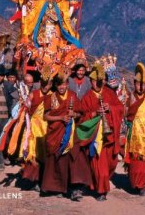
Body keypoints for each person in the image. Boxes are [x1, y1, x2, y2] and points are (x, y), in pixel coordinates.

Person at [41, 71, 92, 201]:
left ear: (67, 84)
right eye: (59, 85)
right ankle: (57, 188)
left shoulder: (73, 96)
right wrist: (60, 117)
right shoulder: (51, 98)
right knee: (57, 161)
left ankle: (75, 188)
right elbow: (46, 116)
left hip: (71, 133)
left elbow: (81, 114)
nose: (62, 87)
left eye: (64, 84)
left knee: (75, 158)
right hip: (56, 132)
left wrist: (74, 114)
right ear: (56, 86)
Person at [80, 63, 124, 201]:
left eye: (99, 81)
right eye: (94, 81)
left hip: (109, 136)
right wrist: (93, 113)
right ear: (91, 81)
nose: (97, 84)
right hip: (95, 139)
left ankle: (97, 184)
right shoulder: (87, 97)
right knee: (100, 167)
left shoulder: (109, 93)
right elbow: (81, 118)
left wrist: (110, 107)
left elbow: (120, 108)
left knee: (112, 163)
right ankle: (101, 191)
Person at [22, 70, 53, 192]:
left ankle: (44, 181)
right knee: (33, 154)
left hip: (47, 129)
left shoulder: (53, 96)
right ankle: (34, 180)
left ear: (51, 84)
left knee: (46, 155)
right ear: (40, 83)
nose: (46, 87)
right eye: (44, 84)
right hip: (34, 128)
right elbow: (26, 110)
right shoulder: (33, 94)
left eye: (48, 84)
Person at [124, 62, 145, 196]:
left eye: (143, 84)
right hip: (133, 135)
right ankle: (135, 183)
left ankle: (143, 185)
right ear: (134, 84)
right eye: (138, 84)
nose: (140, 86)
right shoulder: (130, 98)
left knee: (143, 162)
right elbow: (125, 113)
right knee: (135, 162)